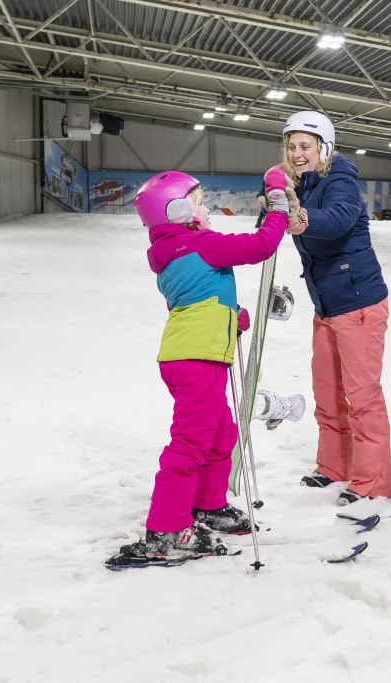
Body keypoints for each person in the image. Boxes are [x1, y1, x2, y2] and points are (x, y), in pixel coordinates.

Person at [132, 167, 295, 559]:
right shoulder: (201, 244)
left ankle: (208, 503)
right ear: (177, 212)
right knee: (190, 444)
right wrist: (278, 208)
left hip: (187, 354)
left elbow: (193, 299)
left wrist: (230, 312)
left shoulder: (172, 254)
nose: (206, 210)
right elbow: (260, 246)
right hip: (198, 358)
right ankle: (167, 528)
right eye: (200, 204)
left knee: (221, 434)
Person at [268, 110, 391, 506]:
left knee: (363, 396)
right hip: (326, 306)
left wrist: (302, 217)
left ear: (325, 148)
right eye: (292, 146)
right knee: (328, 391)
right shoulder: (301, 183)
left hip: (358, 303)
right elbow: (272, 221)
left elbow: (338, 218)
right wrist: (274, 197)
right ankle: (334, 467)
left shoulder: (341, 180)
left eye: (305, 146)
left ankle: (371, 482)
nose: (297, 153)